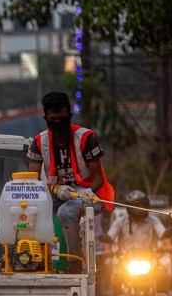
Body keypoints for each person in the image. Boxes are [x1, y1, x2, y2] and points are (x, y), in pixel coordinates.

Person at [27, 91, 115, 271]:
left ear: (70, 116)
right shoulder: (38, 142)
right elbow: (32, 182)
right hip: (57, 194)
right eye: (53, 119)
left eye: (62, 118)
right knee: (27, 211)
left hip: (89, 195)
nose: (58, 123)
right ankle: (31, 259)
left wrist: (89, 192)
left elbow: (98, 177)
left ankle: (74, 263)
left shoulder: (86, 138)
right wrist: (55, 189)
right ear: (46, 118)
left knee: (66, 212)